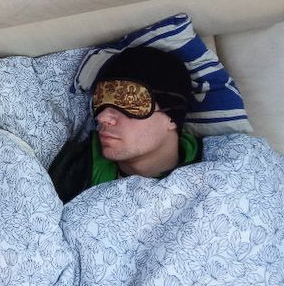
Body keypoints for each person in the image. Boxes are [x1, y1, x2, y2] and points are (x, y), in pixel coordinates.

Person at [49, 46, 202, 203]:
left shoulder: (211, 175)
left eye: (128, 101)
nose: (102, 117)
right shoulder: (70, 174)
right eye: (99, 101)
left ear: (171, 117)